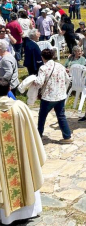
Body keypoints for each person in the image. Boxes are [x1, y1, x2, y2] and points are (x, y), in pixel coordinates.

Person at [0, 77, 46, 225]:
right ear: (9, 90)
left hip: (2, 162)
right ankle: (28, 212)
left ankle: (6, 217)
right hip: (22, 156)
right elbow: (31, 133)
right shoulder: (20, 106)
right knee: (26, 173)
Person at [34, 49, 72, 143]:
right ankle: (67, 136)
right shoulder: (60, 66)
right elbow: (67, 78)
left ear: (42, 57)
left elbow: (39, 82)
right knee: (61, 116)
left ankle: (38, 136)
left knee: (42, 117)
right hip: (61, 95)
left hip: (48, 96)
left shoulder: (43, 68)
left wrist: (33, 81)